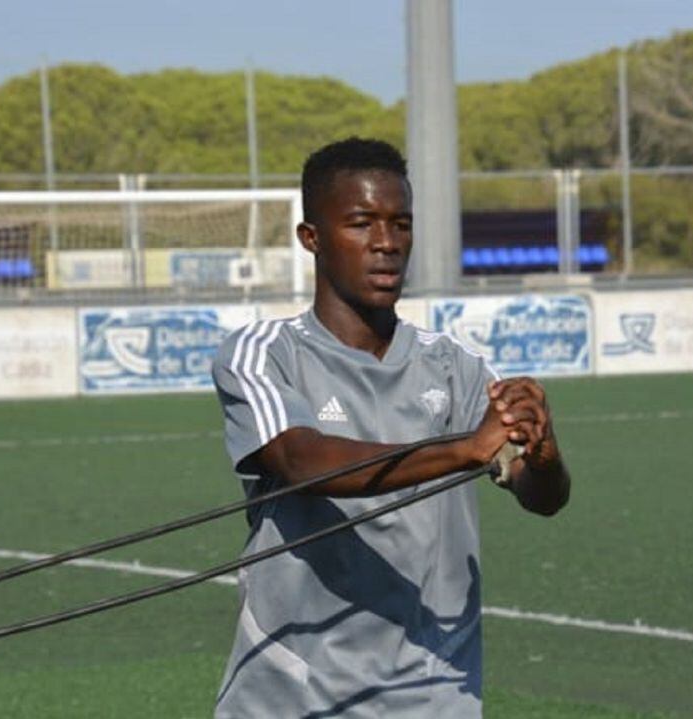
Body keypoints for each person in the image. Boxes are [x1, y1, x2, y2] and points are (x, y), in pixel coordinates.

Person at [211, 137, 570, 718]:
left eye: (400, 224)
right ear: (312, 238)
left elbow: (541, 496)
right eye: (361, 223)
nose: (386, 243)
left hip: (434, 694)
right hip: (293, 695)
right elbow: (302, 462)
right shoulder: (263, 352)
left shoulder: (456, 365)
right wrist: (464, 449)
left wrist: (546, 455)